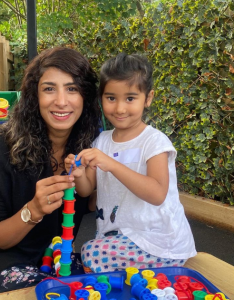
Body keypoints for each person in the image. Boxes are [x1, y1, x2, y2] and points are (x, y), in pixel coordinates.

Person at [0, 47, 101, 296]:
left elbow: (91, 206)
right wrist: (33, 210)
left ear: (85, 96)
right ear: (34, 96)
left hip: (49, 258)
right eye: (49, 88)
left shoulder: (88, 146)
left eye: (72, 88)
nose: (61, 100)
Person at [65, 53, 196, 273]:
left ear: (148, 98)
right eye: (111, 98)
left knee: (89, 253)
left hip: (160, 244)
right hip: (121, 242)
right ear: (101, 98)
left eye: (130, 98)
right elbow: (87, 189)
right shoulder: (102, 141)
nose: (120, 108)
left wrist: (112, 164)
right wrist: (79, 173)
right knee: (91, 253)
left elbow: (157, 194)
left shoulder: (154, 141)